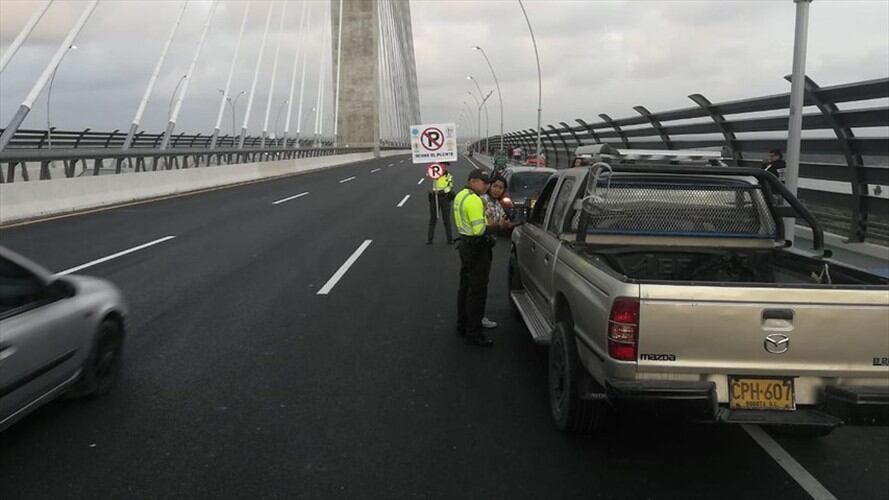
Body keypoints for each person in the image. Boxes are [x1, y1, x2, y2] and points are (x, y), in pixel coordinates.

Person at [453, 170, 510, 346]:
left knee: (465, 288)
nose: (486, 186)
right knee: (477, 292)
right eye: (483, 182)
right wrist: (499, 226)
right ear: (472, 181)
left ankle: (462, 324)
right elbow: (479, 230)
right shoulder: (474, 200)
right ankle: (474, 333)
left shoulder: (461, 195)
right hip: (477, 248)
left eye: (487, 182)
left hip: (465, 245)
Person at [426, 163, 454, 245]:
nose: (444, 167)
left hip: (445, 198)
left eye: (445, 165)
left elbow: (450, 186)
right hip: (434, 198)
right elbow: (427, 180)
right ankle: (429, 239)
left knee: (447, 219)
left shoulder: (449, 176)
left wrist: (442, 191)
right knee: (433, 219)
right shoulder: (433, 173)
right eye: (442, 165)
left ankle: (450, 239)